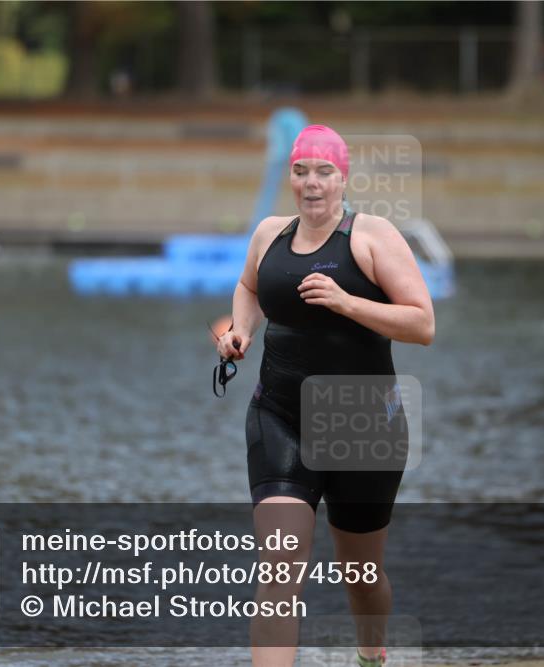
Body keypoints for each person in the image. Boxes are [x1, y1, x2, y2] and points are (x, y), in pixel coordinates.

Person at [214, 124, 435, 667]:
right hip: (280, 415)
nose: (311, 184)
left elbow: (422, 324)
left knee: (360, 576)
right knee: (279, 570)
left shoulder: (371, 237)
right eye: (300, 171)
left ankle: (371, 652)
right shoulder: (269, 234)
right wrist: (239, 332)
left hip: (362, 423)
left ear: (344, 176)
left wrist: (346, 302)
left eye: (324, 172)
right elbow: (247, 289)